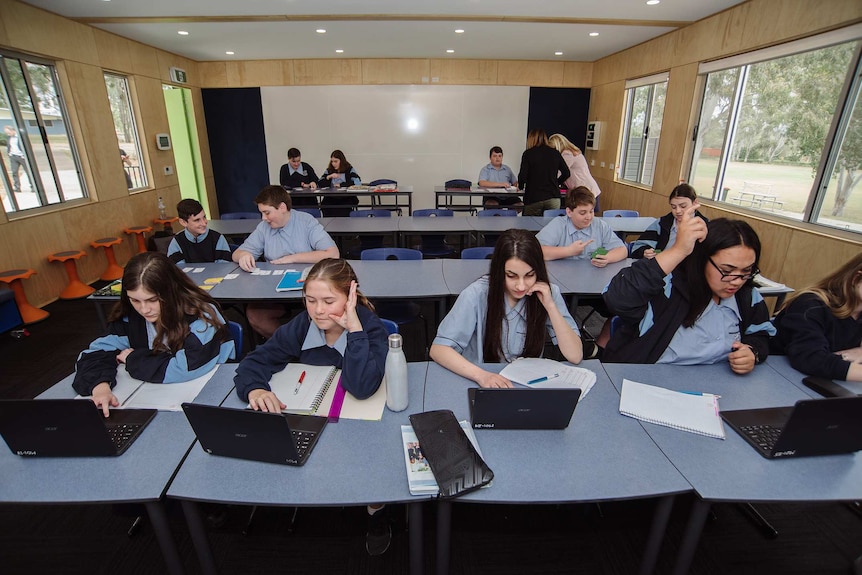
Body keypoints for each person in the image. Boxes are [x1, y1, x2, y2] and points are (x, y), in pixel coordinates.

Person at [233, 258, 391, 555]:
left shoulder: (370, 328)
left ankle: (377, 514)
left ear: (350, 296)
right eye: (310, 300)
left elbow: (361, 386)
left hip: (361, 422)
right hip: (315, 415)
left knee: (373, 467)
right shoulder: (303, 325)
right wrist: (254, 387)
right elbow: (255, 361)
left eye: (329, 301)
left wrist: (354, 330)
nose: (318, 310)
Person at [603, 211, 775, 374]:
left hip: (718, 389)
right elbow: (619, 298)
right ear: (703, 261)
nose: (737, 281)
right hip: (652, 383)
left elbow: (761, 334)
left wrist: (752, 352)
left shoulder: (746, 297)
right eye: (726, 270)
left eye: (746, 271)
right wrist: (679, 250)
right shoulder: (668, 287)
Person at [72, 252, 235, 416]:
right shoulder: (131, 318)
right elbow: (95, 353)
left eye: (152, 300)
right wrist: (100, 385)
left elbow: (184, 368)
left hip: (212, 395)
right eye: (135, 300)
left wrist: (133, 358)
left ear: (171, 292)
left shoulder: (201, 317)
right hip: (155, 399)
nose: (144, 309)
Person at [430, 229, 583, 388]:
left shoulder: (547, 293)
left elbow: (575, 355)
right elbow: (439, 349)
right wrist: (481, 375)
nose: (521, 285)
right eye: (511, 276)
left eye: (530, 275)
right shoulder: (476, 294)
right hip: (481, 380)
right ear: (498, 271)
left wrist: (551, 306)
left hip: (527, 383)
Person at [232, 185, 339, 339]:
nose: (263, 218)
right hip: (273, 291)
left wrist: (293, 258)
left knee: (326, 309)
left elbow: (333, 254)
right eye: (262, 213)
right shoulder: (264, 227)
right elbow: (237, 253)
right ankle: (290, 344)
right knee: (255, 314)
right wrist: (243, 255)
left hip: (309, 291)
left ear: (282, 207)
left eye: (267, 212)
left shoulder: (306, 222)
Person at [771, 253, 862, 382]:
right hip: (778, 380)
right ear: (856, 279)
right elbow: (810, 358)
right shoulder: (810, 305)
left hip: (818, 383)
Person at [536, 186, 627, 268]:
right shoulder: (558, 224)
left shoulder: (600, 225)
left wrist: (608, 258)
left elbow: (622, 250)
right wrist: (568, 251)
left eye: (591, 211)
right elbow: (535, 251)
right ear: (569, 212)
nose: (589, 217)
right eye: (582, 213)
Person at [630, 183, 709, 259]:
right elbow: (645, 247)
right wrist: (646, 251)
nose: (678, 211)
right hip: (661, 267)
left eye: (683, 206)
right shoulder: (662, 223)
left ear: (695, 203)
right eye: (674, 207)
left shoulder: (705, 227)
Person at [517, 128, 570, 216]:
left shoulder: (528, 154)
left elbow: (522, 176)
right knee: (551, 226)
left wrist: (521, 186)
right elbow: (566, 173)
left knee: (530, 226)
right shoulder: (555, 153)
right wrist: (556, 183)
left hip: (533, 197)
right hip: (553, 196)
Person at [167, 198, 232, 264]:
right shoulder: (177, 242)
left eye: (204, 217)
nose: (204, 223)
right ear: (183, 222)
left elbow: (224, 267)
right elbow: (177, 270)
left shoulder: (217, 238)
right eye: (197, 220)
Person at [548, 133, 601, 197]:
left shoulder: (567, 154)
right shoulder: (572, 152)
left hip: (585, 190)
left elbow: (559, 173)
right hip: (587, 188)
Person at [318, 149, 361, 217]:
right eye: (332, 161)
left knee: (342, 208)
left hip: (345, 198)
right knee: (325, 206)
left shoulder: (349, 169)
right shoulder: (329, 170)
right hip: (330, 198)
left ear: (341, 161)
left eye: (336, 161)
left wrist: (341, 184)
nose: (333, 164)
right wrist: (329, 177)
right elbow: (320, 183)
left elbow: (357, 182)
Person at [4, 125, 28, 193]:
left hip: (22, 157)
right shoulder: (9, 138)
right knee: (14, 172)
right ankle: (17, 187)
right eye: (7, 133)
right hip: (13, 157)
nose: (8, 134)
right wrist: (9, 153)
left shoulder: (20, 137)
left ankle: (33, 186)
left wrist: (24, 155)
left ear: (13, 130)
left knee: (28, 172)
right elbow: (9, 146)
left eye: (9, 133)